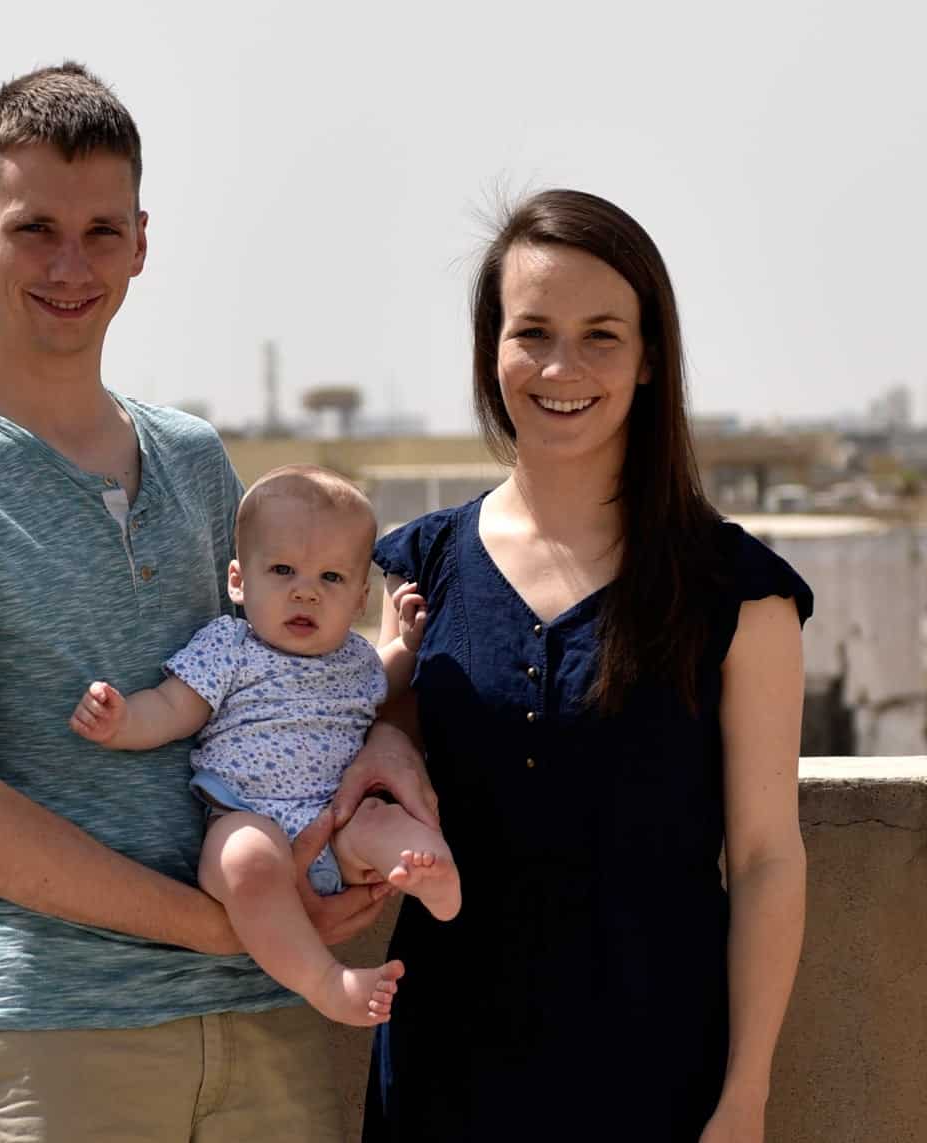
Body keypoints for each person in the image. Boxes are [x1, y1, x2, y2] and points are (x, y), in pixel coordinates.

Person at [0, 63, 435, 1143]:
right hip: (60, 1041)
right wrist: (222, 927)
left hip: (266, 1020)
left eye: (103, 231)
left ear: (142, 244)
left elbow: (281, 686)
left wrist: (378, 767)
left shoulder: (200, 463)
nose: (71, 265)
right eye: (35, 230)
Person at [361, 190, 813, 1142]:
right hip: (447, 1077)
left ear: (651, 358)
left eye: (602, 334)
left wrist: (747, 1097)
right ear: (494, 352)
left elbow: (768, 857)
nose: (563, 367)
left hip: (658, 1082)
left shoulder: (740, 593)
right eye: (533, 332)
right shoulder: (419, 568)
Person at [70, 464, 459, 1027]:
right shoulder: (229, 647)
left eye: (331, 578)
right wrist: (122, 720)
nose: (305, 590)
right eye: (282, 570)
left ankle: (430, 871)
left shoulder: (352, 661)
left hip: (337, 823)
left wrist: (405, 642)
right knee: (246, 860)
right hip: (248, 817)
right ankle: (327, 980)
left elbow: (387, 679)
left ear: (357, 602)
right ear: (238, 580)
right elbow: (174, 708)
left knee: (382, 819)